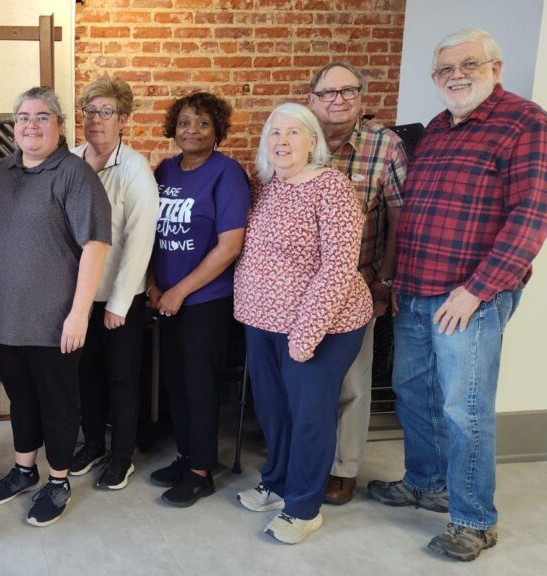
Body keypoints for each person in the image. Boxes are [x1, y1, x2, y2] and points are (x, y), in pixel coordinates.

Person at [367, 28, 547, 562]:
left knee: (463, 409)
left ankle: (474, 519)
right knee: (413, 394)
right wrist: (397, 281)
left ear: (496, 68)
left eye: (468, 64)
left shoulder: (525, 122)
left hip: (470, 297)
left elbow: (530, 216)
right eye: (444, 69)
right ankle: (426, 483)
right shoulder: (440, 129)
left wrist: (476, 290)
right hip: (417, 290)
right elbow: (414, 214)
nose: (455, 76)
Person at [233, 103, 371, 544]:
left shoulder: (333, 188)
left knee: (310, 414)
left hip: (323, 325)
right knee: (273, 407)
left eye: (294, 133)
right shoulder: (269, 185)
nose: (283, 142)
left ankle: (304, 507)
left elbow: (338, 268)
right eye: (275, 133)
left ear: (313, 141)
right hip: (263, 321)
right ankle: (276, 482)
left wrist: (306, 333)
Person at [0, 86, 111, 527]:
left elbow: (95, 245)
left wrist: (79, 312)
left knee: (57, 403)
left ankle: (57, 480)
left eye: (41, 118)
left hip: (54, 318)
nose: (30, 126)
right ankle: (22, 469)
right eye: (22, 117)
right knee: (21, 400)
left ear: (58, 126)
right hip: (3, 317)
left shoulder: (74, 174)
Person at [305, 61, 407, 505]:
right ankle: (303, 455)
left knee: (350, 382)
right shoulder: (298, 138)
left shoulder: (385, 147)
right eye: (328, 92)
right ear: (312, 99)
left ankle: (342, 467)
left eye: (348, 91)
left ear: (361, 98)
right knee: (303, 379)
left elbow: (401, 219)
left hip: (355, 288)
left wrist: (385, 281)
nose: (339, 100)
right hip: (296, 290)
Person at [145, 92, 250, 507]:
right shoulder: (164, 170)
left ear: (218, 130)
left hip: (206, 301)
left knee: (200, 386)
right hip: (166, 299)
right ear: (174, 127)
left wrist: (178, 292)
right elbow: (148, 234)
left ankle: (201, 472)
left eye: (203, 123)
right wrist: (154, 286)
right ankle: (186, 457)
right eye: (186, 122)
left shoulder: (227, 174)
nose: (193, 130)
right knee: (177, 384)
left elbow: (229, 246)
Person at [68, 76, 158, 490]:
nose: (96, 120)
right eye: (90, 111)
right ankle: (93, 445)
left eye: (106, 112)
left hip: (122, 297)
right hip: (80, 296)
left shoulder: (135, 167)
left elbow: (140, 240)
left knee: (121, 377)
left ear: (123, 119)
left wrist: (119, 304)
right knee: (86, 376)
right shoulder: (70, 160)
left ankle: (121, 456)